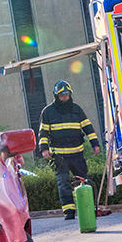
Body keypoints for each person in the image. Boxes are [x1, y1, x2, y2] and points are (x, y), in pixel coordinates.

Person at [38, 80, 99, 220]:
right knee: (63, 183)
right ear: (56, 96)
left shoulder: (77, 110)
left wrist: (95, 143)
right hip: (59, 156)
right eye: (62, 95)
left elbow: (88, 127)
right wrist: (44, 149)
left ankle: (88, 208)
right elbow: (43, 133)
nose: (64, 98)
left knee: (84, 181)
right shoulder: (48, 112)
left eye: (66, 95)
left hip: (77, 153)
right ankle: (69, 211)